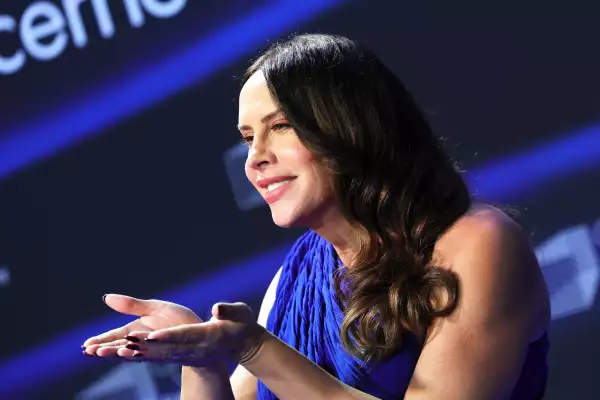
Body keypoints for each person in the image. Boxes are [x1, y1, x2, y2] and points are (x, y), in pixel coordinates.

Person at [82, 34, 550, 399]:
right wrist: (201, 359)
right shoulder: (295, 278)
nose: (255, 159)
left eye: (280, 127)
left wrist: (253, 347)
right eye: (248, 139)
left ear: (349, 127)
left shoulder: (478, 244)